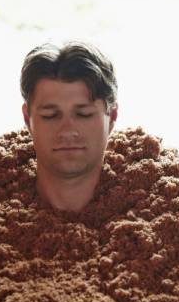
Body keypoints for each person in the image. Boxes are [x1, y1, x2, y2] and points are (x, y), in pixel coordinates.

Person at [20, 41, 118, 212]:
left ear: (112, 117)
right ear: (28, 120)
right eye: (50, 116)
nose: (67, 131)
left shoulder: (167, 209)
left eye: (84, 114)